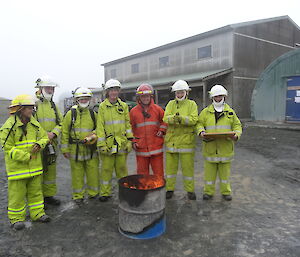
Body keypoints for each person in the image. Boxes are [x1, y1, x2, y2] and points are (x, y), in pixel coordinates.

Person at [0, 94, 51, 230]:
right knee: (17, 196)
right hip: (17, 170)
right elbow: (7, 148)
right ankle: (16, 219)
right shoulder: (8, 126)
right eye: (29, 108)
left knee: (36, 193)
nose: (32, 110)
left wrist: (40, 144)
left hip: (34, 168)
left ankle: (38, 214)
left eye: (32, 108)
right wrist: (25, 156)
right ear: (20, 110)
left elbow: (44, 137)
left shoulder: (34, 123)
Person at [197, 84, 242, 201]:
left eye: (220, 96)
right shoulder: (205, 112)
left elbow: (237, 125)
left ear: (224, 96)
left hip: (225, 149)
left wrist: (236, 135)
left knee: (225, 175)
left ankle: (226, 192)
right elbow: (199, 123)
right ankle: (208, 192)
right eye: (216, 96)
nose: (218, 98)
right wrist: (201, 131)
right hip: (210, 149)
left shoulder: (230, 112)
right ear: (212, 97)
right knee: (209, 175)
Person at [96, 79, 133, 202]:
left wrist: (129, 141)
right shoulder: (102, 107)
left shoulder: (124, 106)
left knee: (122, 169)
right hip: (107, 144)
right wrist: (101, 144)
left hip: (121, 143)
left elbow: (128, 124)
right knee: (106, 170)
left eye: (116, 90)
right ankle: (105, 193)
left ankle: (125, 192)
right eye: (111, 90)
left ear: (119, 91)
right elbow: (100, 126)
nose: (114, 92)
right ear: (107, 92)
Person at [61, 87, 99, 204]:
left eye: (86, 98)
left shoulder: (93, 114)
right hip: (75, 149)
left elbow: (99, 129)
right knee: (77, 174)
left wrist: (93, 136)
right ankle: (78, 195)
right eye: (81, 99)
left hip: (90, 149)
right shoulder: (70, 114)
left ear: (89, 99)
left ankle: (93, 193)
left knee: (93, 172)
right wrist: (65, 149)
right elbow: (65, 132)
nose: (83, 101)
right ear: (77, 100)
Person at [163, 80, 198, 200]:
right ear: (175, 93)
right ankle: (169, 189)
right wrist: (174, 118)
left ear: (186, 92)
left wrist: (181, 119)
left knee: (188, 169)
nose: (179, 94)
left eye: (181, 92)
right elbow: (165, 118)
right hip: (172, 142)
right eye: (177, 92)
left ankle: (190, 191)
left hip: (186, 143)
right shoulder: (170, 104)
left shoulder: (192, 104)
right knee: (170, 169)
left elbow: (194, 120)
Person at [34, 76, 63, 207]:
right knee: (37, 173)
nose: (50, 90)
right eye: (48, 88)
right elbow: (29, 124)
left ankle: (48, 196)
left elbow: (61, 123)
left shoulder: (53, 106)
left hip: (51, 144)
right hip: (38, 145)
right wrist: (44, 136)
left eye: (52, 88)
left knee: (50, 172)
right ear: (41, 88)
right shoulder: (33, 104)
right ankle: (38, 199)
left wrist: (54, 133)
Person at [129, 83, 167, 177]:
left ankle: (159, 190)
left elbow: (165, 121)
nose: (145, 98)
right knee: (142, 174)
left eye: (147, 96)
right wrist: (133, 141)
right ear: (139, 98)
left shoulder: (158, 109)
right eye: (143, 96)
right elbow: (129, 128)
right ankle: (143, 191)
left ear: (151, 96)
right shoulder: (133, 112)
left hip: (156, 147)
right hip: (140, 147)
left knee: (158, 173)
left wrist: (162, 130)